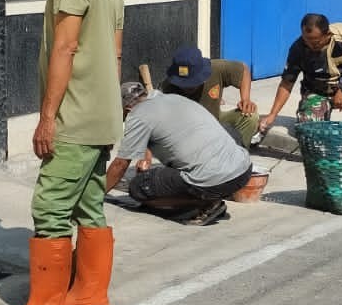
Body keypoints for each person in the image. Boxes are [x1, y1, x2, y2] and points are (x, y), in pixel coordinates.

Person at [0, 0, 125, 305]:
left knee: (49, 207)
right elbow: (117, 50)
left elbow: (66, 46)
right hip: (103, 112)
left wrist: (47, 117)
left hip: (76, 115)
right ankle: (90, 292)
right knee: (89, 202)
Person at [105, 82, 252, 226]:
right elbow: (159, 130)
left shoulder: (137, 116)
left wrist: (96, 196)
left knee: (139, 187)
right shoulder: (172, 99)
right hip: (243, 172)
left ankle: (205, 203)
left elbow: (120, 165)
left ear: (127, 107)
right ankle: (217, 191)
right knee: (226, 129)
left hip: (214, 182)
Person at [257, 14, 342, 135]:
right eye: (306, 39)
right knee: (308, 132)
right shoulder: (298, 49)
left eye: (315, 42)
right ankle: (319, 116)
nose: (309, 45)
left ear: (327, 35)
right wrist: (272, 114)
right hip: (318, 94)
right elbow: (286, 84)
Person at [159, 46, 260, 147]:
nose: (188, 87)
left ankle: (238, 155)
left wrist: (245, 99)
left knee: (250, 116)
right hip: (189, 133)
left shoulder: (217, 69)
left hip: (215, 119)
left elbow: (244, 70)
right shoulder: (167, 88)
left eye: (192, 82)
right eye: (184, 83)